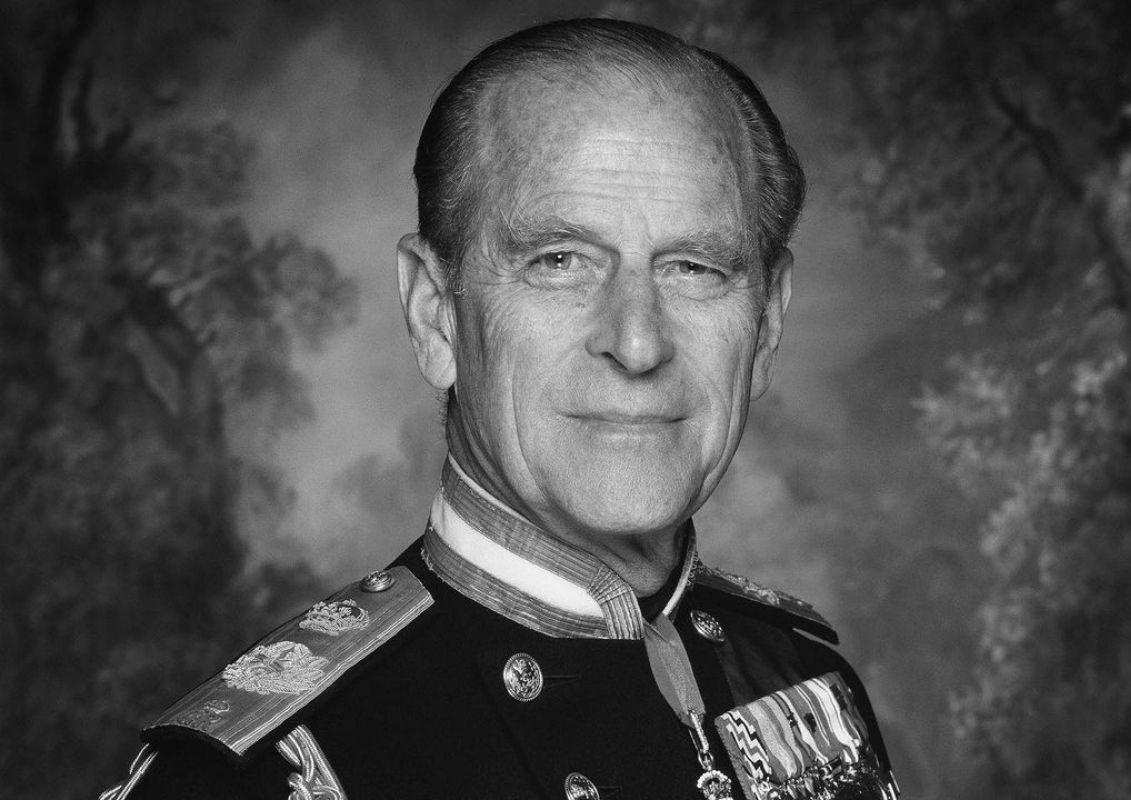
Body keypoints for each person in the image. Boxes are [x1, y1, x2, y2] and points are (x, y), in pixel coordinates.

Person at [102, 18, 900, 800]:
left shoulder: (799, 677)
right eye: (559, 261)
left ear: (767, 323)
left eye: (695, 268)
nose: (637, 343)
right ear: (435, 315)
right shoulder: (255, 779)